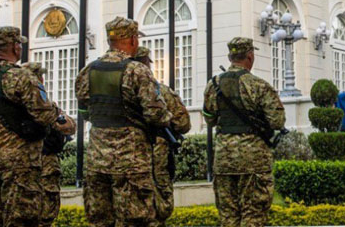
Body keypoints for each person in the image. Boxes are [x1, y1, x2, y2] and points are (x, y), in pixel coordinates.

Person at [76, 17, 171, 227]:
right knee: (135, 221)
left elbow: (85, 111)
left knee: (100, 221)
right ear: (133, 40)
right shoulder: (137, 71)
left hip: (97, 159)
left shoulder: (88, 71)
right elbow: (157, 114)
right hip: (131, 161)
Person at [0, 27, 59, 227]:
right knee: (21, 221)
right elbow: (45, 116)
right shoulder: (23, 78)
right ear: (15, 47)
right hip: (20, 164)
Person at [203, 37, 285, 227]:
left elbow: (209, 118)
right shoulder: (259, 85)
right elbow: (277, 121)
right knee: (253, 214)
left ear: (230, 56)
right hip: (253, 159)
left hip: (223, 158)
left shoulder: (213, 85)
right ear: (249, 56)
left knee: (228, 215)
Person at [132, 46, 191, 227]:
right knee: (158, 209)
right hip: (156, 157)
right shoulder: (161, 92)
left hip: (125, 156)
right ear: (146, 65)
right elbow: (183, 124)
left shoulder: (119, 92)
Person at [23, 62, 77, 227]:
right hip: (42, 162)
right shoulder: (42, 105)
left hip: (29, 162)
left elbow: (69, 126)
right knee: (44, 213)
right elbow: (68, 126)